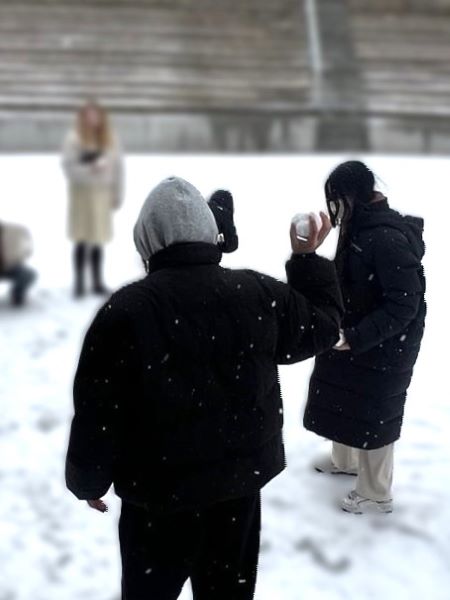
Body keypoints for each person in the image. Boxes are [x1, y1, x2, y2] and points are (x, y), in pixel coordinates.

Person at [65, 176, 343, 600]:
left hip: (157, 504)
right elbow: (323, 327)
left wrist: (88, 482)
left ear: (149, 243)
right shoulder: (257, 294)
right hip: (237, 495)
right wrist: (307, 259)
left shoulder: (124, 314)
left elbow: (98, 413)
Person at [305, 160, 426, 514]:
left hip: (387, 343)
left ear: (352, 196)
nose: (333, 209)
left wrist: (357, 336)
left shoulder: (386, 237)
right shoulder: (357, 226)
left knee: (375, 414)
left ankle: (376, 491)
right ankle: (345, 460)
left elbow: (405, 305)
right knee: (342, 394)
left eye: (336, 200)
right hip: (356, 331)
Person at [62, 100, 124, 297]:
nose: (92, 119)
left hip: (101, 197)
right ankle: (79, 283)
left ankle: (97, 281)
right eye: (88, 115)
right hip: (81, 197)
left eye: (95, 114)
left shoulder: (109, 140)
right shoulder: (74, 139)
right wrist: (91, 169)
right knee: (81, 238)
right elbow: (69, 168)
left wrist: (117, 194)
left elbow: (119, 169)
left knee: (98, 239)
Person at [0, 220, 36, 306]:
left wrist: (25, 253)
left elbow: (27, 235)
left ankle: (17, 294)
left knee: (28, 274)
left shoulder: (13, 230)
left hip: (8, 267)